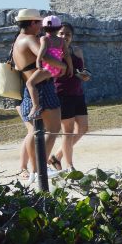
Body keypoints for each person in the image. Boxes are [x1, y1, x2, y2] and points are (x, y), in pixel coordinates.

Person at [11, 9, 64, 183]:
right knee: (53, 128)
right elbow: (47, 58)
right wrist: (63, 65)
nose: (42, 26)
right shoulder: (30, 39)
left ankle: (35, 170)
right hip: (42, 87)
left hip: (29, 89)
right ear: (32, 22)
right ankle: (40, 168)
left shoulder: (17, 40)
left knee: (34, 131)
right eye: (39, 22)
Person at [51, 22, 91, 172]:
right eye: (61, 33)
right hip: (62, 94)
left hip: (77, 93)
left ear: (72, 37)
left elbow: (83, 69)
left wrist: (85, 75)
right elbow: (52, 72)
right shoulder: (53, 52)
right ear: (56, 35)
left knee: (83, 127)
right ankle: (69, 166)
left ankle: (57, 156)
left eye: (67, 34)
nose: (64, 36)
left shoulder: (77, 51)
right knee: (67, 131)